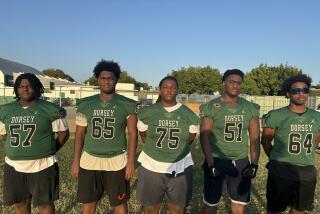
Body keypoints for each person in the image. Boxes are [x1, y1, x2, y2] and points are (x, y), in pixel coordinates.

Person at [71, 60, 137, 214]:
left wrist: (131, 162)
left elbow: (133, 134)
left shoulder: (127, 104)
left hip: (117, 160)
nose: (106, 81)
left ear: (116, 80)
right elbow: (80, 133)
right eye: (103, 78)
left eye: (110, 78)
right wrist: (76, 161)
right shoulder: (86, 103)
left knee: (119, 204)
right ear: (97, 79)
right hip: (89, 160)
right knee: (88, 204)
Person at [0, 73, 69, 214]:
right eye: (21, 86)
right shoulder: (5, 111)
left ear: (37, 88)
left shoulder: (51, 110)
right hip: (14, 166)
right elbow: (4, 135)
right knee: (20, 203)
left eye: (29, 86)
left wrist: (50, 149)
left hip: (43, 164)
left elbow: (64, 134)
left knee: (45, 205)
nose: (25, 89)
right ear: (16, 89)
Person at [200, 69, 260, 214]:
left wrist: (254, 164)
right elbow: (204, 136)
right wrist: (210, 163)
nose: (235, 86)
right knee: (210, 203)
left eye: (238, 83)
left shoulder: (250, 107)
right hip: (217, 159)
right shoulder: (211, 106)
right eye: (231, 82)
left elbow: (255, 139)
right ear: (224, 83)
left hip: (240, 161)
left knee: (239, 204)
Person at [136, 76, 200, 214]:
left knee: (177, 208)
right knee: (151, 208)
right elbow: (143, 134)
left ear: (177, 90)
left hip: (180, 165)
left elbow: (190, 138)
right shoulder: (148, 112)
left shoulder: (188, 114)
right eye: (165, 87)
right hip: (151, 164)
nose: (169, 90)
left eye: (173, 87)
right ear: (160, 90)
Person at [261, 74, 320, 214]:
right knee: (275, 209)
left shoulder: (317, 116)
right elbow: (266, 141)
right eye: (296, 91)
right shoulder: (276, 115)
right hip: (281, 169)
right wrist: (276, 158)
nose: (301, 94)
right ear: (288, 93)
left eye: (305, 90)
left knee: (299, 209)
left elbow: (316, 140)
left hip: (307, 170)